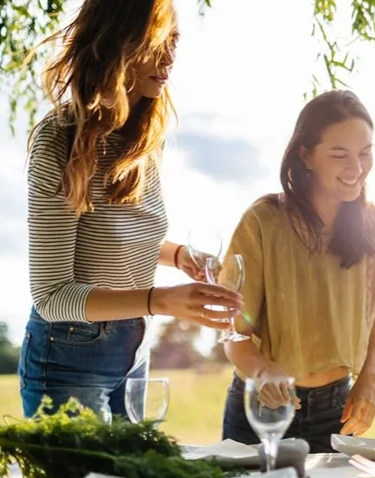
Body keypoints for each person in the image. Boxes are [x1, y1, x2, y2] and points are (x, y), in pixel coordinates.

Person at [17, 0, 243, 422]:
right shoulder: (59, 141)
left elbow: (114, 236)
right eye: (157, 42)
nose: (169, 58)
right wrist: (163, 300)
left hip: (134, 347)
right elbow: (51, 297)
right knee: (87, 470)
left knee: (138, 466)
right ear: (118, 40)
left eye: (175, 42)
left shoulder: (141, 139)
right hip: (69, 355)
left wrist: (179, 256)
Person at [221, 90, 375, 453]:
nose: (356, 168)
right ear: (305, 154)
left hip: (337, 410)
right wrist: (263, 371)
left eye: (365, 153)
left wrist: (369, 380)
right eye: (340, 155)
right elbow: (233, 333)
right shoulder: (263, 222)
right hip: (262, 409)